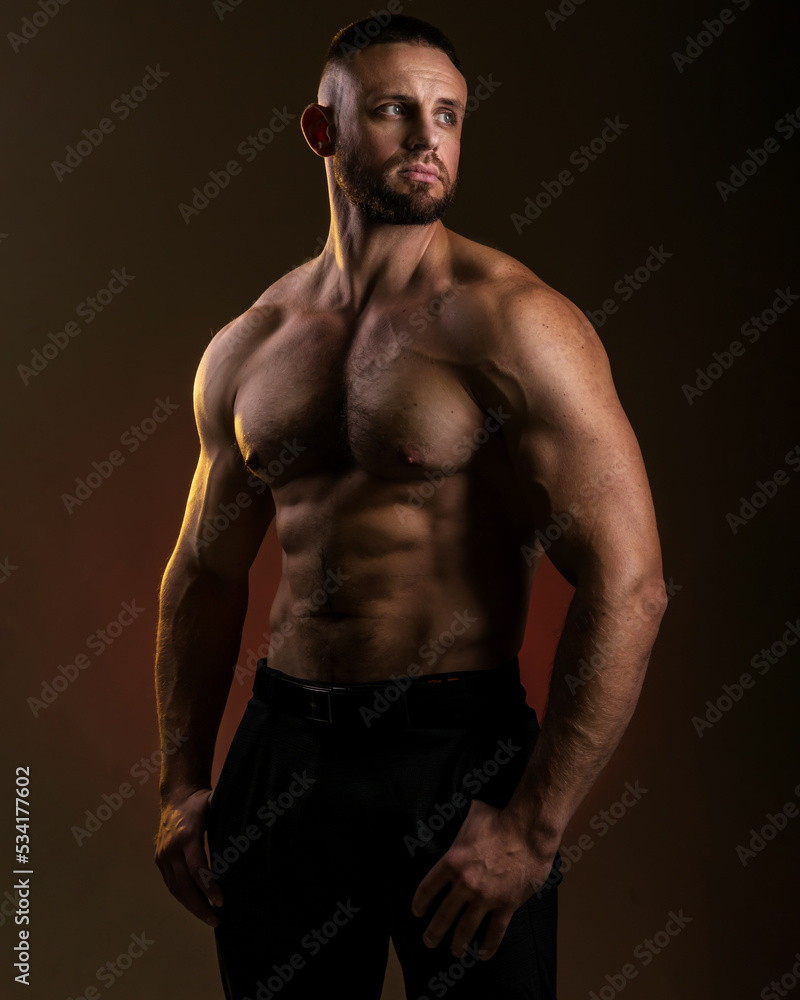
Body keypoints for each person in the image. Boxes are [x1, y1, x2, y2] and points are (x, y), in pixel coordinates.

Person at [154, 14, 667, 1000]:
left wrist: (530, 824)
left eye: (448, 114)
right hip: (282, 755)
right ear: (322, 129)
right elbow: (204, 570)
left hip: (451, 754)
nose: (428, 137)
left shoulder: (516, 324)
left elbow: (630, 579)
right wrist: (182, 782)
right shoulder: (248, 345)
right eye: (394, 111)